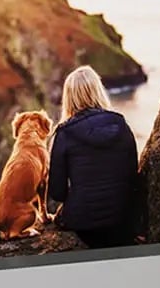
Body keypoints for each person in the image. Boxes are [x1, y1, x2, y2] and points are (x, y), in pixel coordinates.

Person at [46, 66, 142, 249]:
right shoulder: (122, 125)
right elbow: (132, 179)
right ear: (98, 90)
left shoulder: (64, 133)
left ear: (69, 97)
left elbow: (57, 192)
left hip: (83, 224)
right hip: (120, 221)